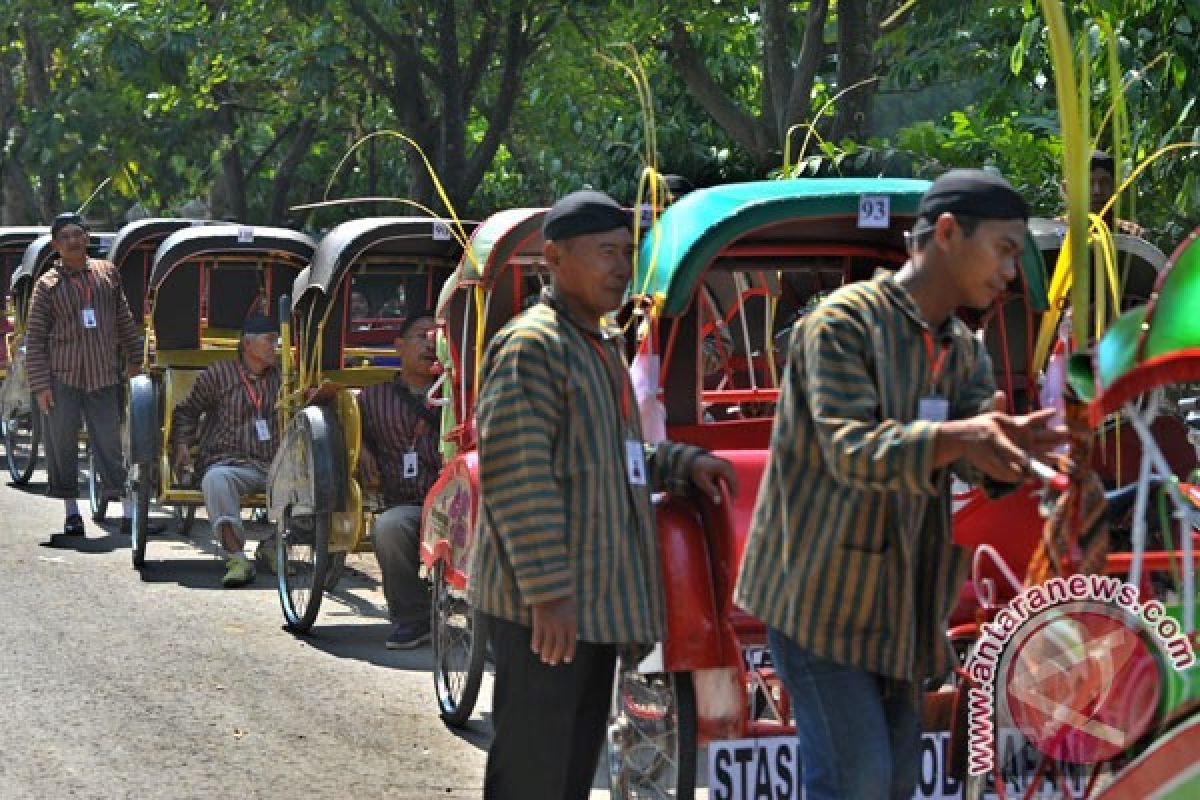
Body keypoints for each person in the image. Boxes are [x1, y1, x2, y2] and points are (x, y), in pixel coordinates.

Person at [734, 170, 1070, 800]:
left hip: (903, 610)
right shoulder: (840, 327)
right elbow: (851, 450)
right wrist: (964, 439)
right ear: (947, 233)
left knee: (892, 786)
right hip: (817, 602)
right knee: (856, 783)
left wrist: (1014, 459)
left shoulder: (963, 352)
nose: (1009, 271)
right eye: (1002, 248)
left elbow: (977, 458)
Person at [468, 190, 738, 799]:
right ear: (556, 258)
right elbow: (518, 474)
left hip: (592, 605)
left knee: (568, 771)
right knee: (532, 772)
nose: (621, 266)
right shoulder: (532, 344)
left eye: (626, 252)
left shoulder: (597, 344)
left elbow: (612, 457)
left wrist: (678, 463)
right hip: (547, 607)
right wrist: (550, 592)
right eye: (606, 252)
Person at [26, 212, 142, 537]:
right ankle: (71, 512)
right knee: (61, 443)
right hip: (62, 378)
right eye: (65, 237)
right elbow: (34, 339)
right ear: (55, 245)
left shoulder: (107, 274)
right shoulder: (47, 286)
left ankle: (128, 513)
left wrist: (135, 358)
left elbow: (124, 319)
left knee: (109, 443)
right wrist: (40, 386)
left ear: (87, 238)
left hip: (103, 375)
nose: (72, 241)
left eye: (77, 234)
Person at [170, 312, 281, 588]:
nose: (275, 347)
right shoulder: (219, 374)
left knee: (320, 487)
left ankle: (273, 546)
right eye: (269, 340)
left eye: (277, 341)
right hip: (228, 463)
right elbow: (188, 412)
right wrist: (182, 445)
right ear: (247, 344)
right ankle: (237, 558)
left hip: (275, 466)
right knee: (215, 480)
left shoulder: (284, 378)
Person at [357, 311, 440, 649]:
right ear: (399, 346)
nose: (431, 343)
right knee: (389, 528)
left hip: (458, 502)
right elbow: (341, 429)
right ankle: (412, 617)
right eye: (423, 335)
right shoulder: (373, 398)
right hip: (405, 504)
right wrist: (360, 449)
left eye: (438, 336)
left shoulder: (463, 393)